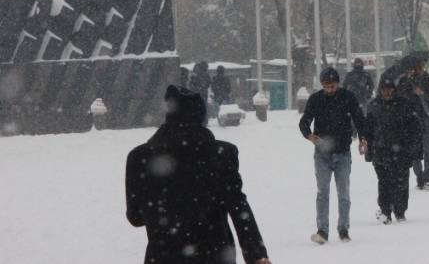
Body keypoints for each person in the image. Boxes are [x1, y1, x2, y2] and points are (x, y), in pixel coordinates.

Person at [125, 85, 271, 264]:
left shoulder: (139, 157)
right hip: (215, 255)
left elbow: (136, 217)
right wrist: (256, 254)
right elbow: (238, 207)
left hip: (163, 256)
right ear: (201, 117)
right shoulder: (222, 154)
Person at [299, 67, 369, 244]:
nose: (329, 89)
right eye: (326, 86)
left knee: (343, 193)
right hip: (322, 154)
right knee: (323, 192)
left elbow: (359, 118)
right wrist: (309, 135)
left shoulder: (348, 97)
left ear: (338, 83)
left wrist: (363, 139)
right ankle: (322, 230)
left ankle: (343, 228)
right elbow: (304, 121)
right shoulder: (316, 99)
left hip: (343, 153)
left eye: (332, 86)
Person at [366, 74, 422, 224]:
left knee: (401, 182)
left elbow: (414, 128)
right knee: (384, 182)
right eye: (384, 89)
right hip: (381, 151)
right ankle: (385, 210)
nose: (387, 92)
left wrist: (414, 149)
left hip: (401, 151)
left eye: (390, 89)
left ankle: (400, 210)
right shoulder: (374, 106)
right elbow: (368, 130)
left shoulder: (404, 105)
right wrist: (369, 150)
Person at [397, 55, 429, 190]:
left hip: (427, 118)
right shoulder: (404, 82)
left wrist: (422, 93)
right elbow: (399, 98)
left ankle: (428, 178)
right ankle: (419, 177)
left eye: (421, 67)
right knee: (415, 151)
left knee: (428, 149)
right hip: (411, 120)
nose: (419, 69)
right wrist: (410, 91)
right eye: (416, 67)